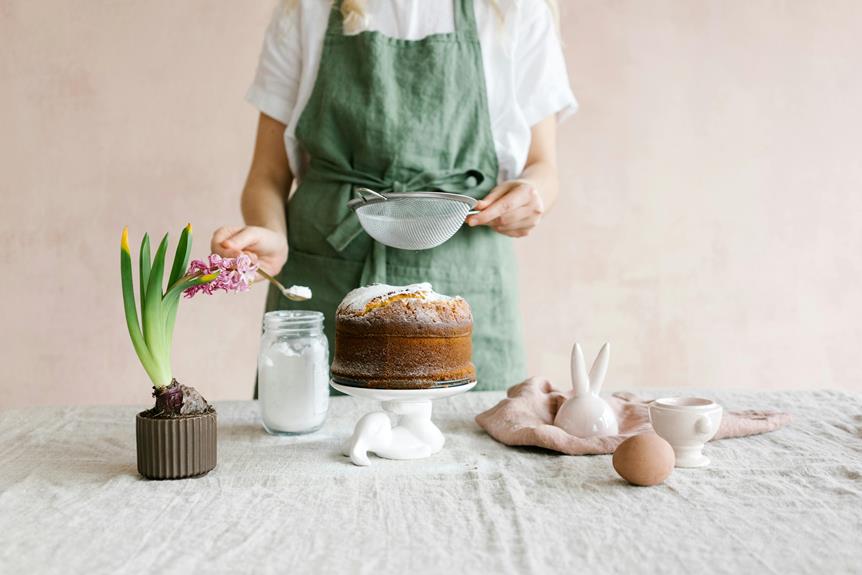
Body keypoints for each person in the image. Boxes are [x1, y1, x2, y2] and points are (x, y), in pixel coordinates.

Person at [212, 0, 577, 392]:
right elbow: (267, 174)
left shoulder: (515, 9)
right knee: (310, 441)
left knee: (471, 442)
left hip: (466, 273)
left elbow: (543, 166)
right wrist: (272, 236)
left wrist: (531, 195)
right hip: (325, 277)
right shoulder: (308, 8)